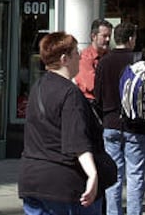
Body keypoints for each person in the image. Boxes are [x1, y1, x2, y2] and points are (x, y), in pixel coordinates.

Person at [18, 31, 104, 215]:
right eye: (76, 53)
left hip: (32, 178)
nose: (80, 57)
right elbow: (76, 139)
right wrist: (92, 173)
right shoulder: (70, 93)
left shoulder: (38, 87)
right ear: (65, 59)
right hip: (63, 183)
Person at [94, 21, 145, 215]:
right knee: (135, 175)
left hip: (110, 123)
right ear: (130, 39)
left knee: (114, 175)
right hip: (136, 125)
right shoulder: (139, 59)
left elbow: (97, 96)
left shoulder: (104, 62)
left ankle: (113, 212)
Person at [75, 18, 113, 103]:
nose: (108, 40)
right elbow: (92, 85)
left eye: (109, 36)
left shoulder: (110, 56)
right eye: (104, 36)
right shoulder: (85, 57)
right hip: (91, 106)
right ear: (93, 36)